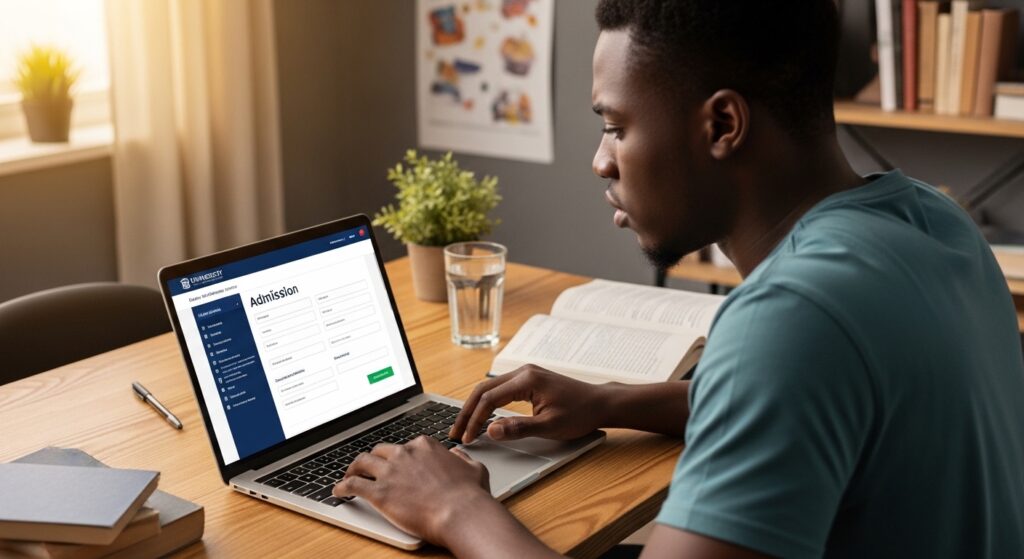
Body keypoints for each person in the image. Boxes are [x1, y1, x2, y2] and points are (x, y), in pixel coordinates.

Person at [333, 1, 1024, 557]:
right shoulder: (933, 218)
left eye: (615, 126)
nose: (601, 160)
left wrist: (456, 507)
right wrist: (608, 401)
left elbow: (790, 365)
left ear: (723, 123)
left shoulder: (791, 317)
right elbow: (812, 402)